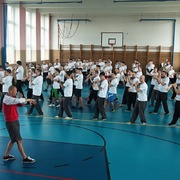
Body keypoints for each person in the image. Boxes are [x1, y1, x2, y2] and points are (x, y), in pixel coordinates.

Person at [2, 85, 36, 163]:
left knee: (13, 140)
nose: (16, 92)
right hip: (11, 122)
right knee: (19, 140)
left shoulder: (12, 98)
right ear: (10, 91)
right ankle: (25, 158)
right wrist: (28, 99)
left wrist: (21, 99)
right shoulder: (7, 99)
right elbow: (18, 101)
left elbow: (19, 104)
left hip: (14, 120)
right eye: (15, 91)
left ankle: (6, 156)